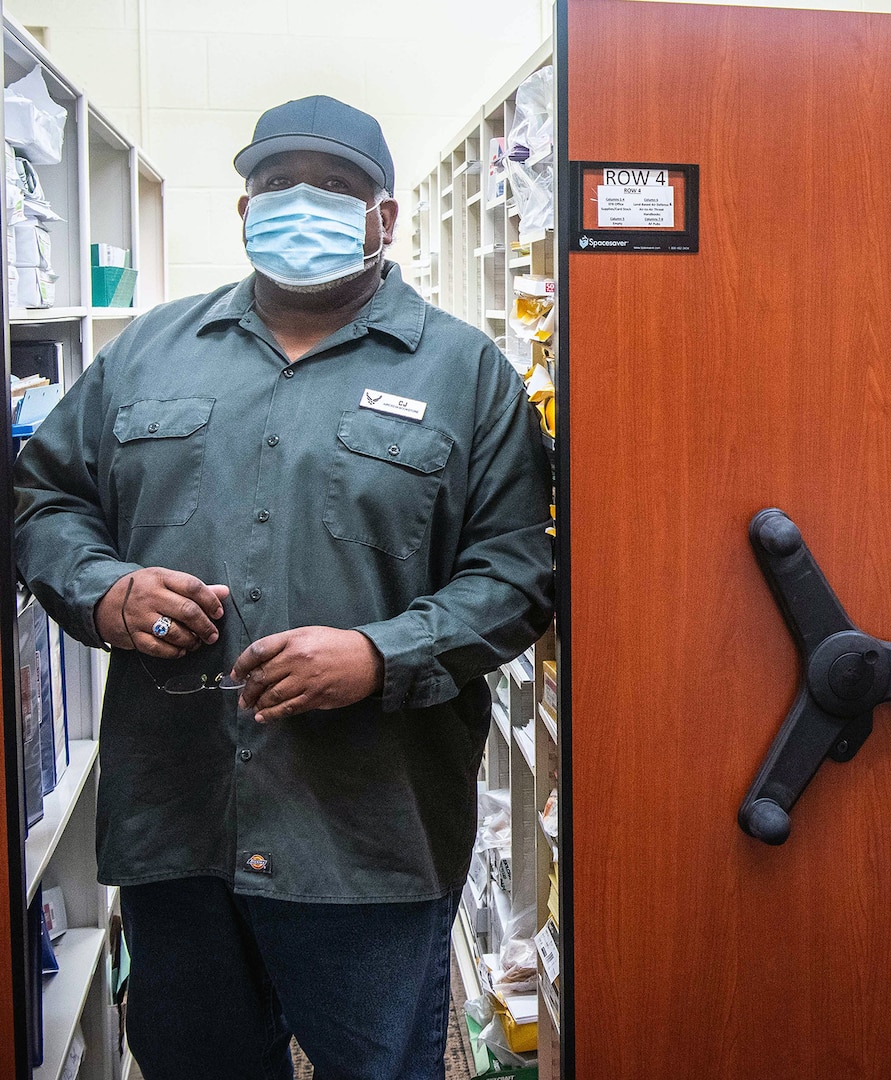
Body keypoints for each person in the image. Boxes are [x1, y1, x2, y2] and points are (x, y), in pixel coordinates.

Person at [14, 95, 554, 1079]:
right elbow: (44, 499)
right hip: (181, 822)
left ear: (383, 217)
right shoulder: (147, 351)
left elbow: (517, 576)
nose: (301, 205)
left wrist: (379, 655)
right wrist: (104, 592)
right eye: (275, 187)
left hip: (370, 834)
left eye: (336, 188)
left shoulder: (467, 375)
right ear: (243, 211)